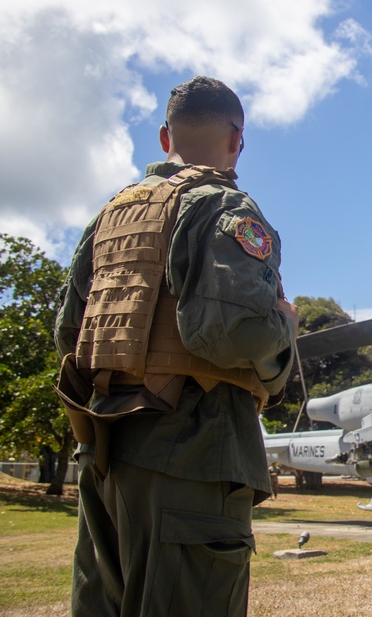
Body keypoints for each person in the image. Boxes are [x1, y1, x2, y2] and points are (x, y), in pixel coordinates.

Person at [54, 76, 298, 616]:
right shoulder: (223, 206)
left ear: (165, 137)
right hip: (192, 448)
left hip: (106, 447)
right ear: (237, 140)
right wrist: (285, 325)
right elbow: (233, 332)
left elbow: (70, 335)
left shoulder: (111, 216)